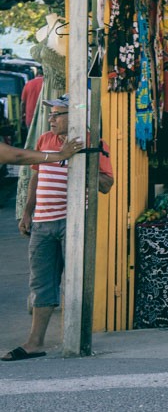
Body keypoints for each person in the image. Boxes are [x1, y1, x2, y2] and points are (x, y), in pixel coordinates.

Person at [4, 97, 112, 362]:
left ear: (74, 117)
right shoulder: (44, 141)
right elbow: (36, 177)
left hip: (72, 222)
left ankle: (75, 338)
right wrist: (28, 212)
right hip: (43, 223)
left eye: (56, 114)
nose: (51, 119)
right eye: (50, 115)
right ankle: (34, 342)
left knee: (75, 280)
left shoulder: (94, 144)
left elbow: (107, 185)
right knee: (41, 283)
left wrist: (84, 161)